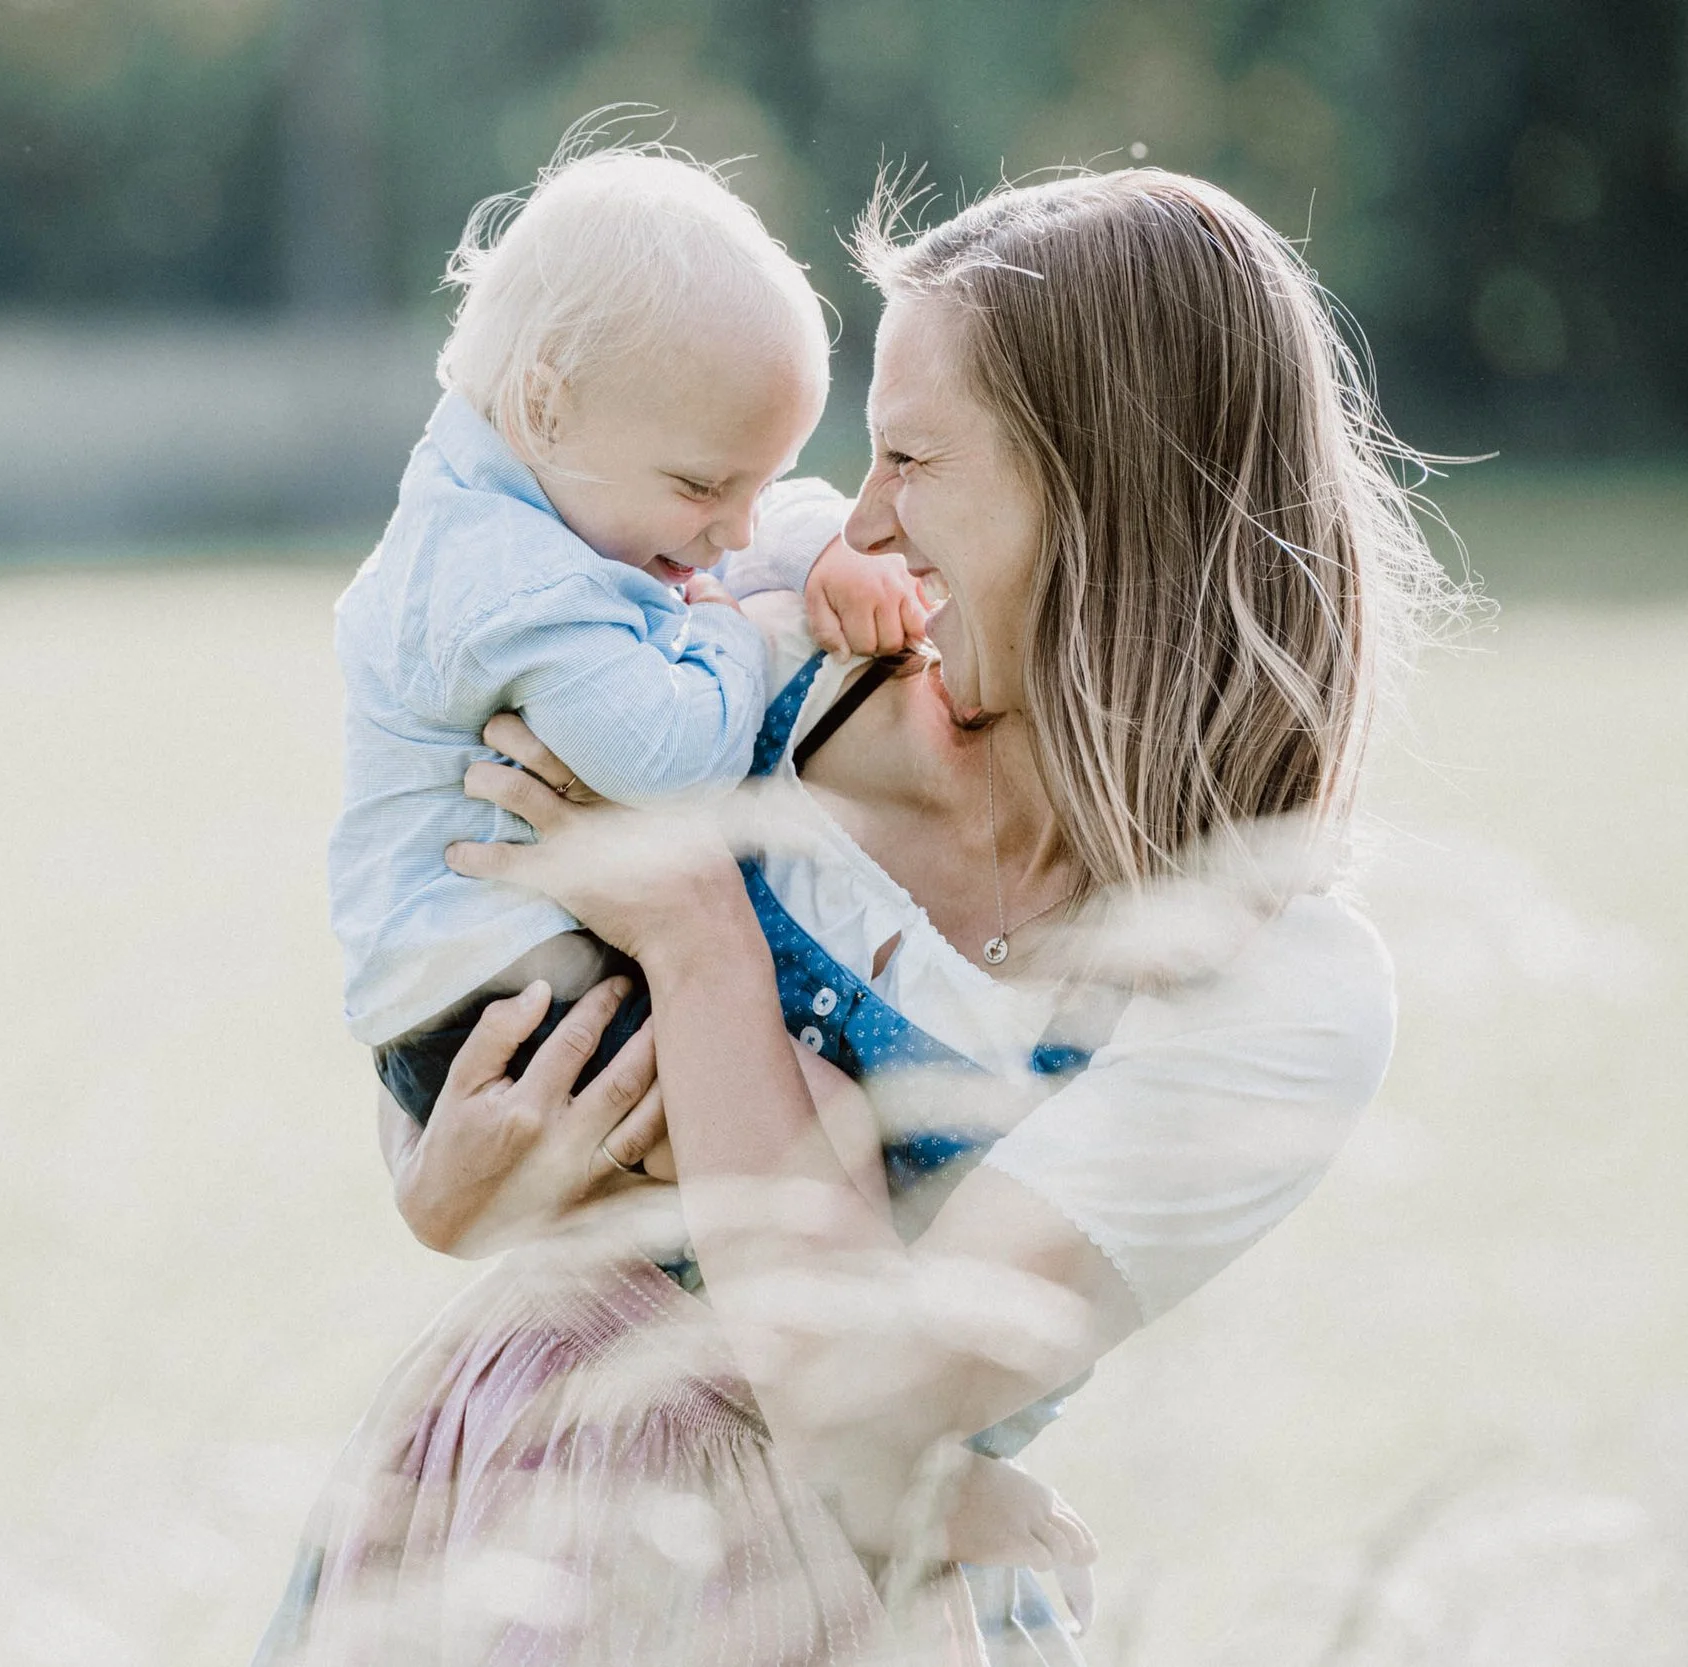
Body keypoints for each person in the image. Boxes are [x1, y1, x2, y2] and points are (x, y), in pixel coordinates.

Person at [259, 166, 1447, 1667]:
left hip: (845, 1602)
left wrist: (701, 931)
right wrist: (439, 1192)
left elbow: (869, 1393)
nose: (859, 515)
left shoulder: (1272, 987)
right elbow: (457, 961)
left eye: (909, 456)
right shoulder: (747, 673)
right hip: (525, 1475)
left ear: (1100, 490)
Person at [329, 133, 925, 1128]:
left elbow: (727, 534)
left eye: (761, 485)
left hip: (526, 974)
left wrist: (822, 542)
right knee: (812, 1112)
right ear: (546, 406)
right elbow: (668, 759)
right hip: (496, 1008)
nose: (734, 528)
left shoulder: (560, 488)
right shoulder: (507, 587)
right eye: (702, 485)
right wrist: (737, 632)